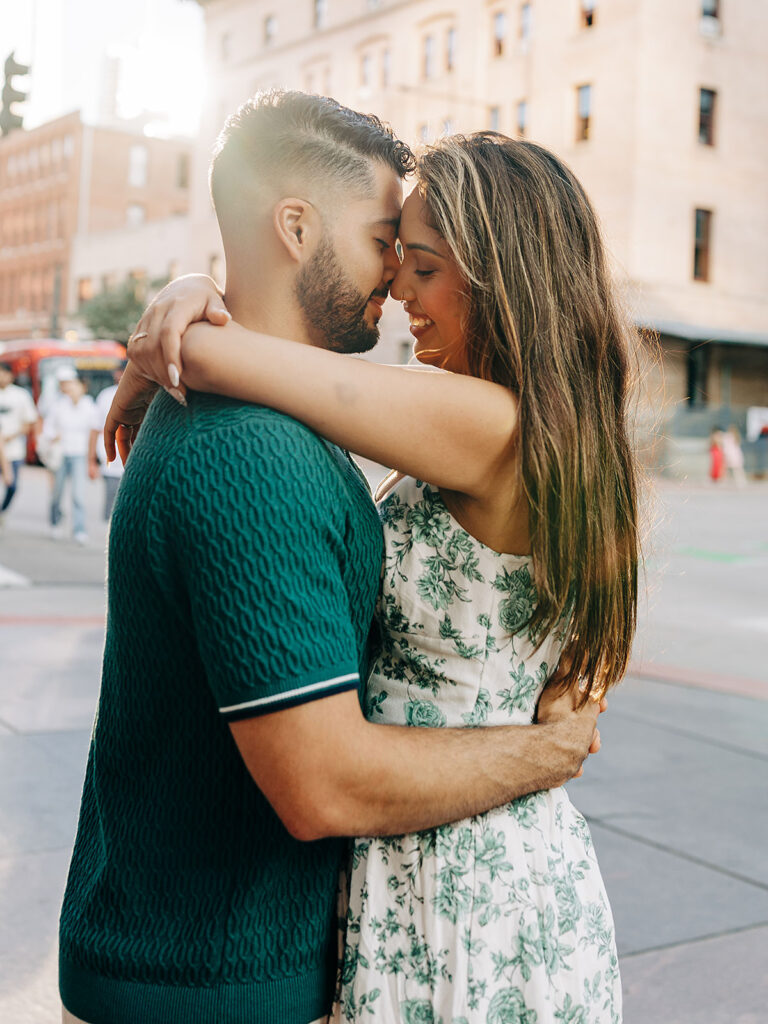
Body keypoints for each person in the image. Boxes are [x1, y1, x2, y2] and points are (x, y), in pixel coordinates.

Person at [60, 93, 602, 1024]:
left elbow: (282, 372)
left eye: (420, 262)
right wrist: (187, 315)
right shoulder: (274, 449)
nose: (394, 285)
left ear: (498, 278)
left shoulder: (494, 423)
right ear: (299, 225)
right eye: (390, 248)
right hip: (314, 920)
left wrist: (180, 331)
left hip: (463, 886)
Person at [41, 370, 95, 544]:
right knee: (57, 492)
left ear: (82, 387)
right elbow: (48, 427)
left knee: (78, 494)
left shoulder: (89, 406)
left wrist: (93, 459)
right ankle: (55, 523)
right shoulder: (59, 405)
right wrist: (53, 436)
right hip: (61, 452)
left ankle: (79, 529)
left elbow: (94, 431)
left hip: (79, 453)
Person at [0, 361, 38, 524]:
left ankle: (2, 511)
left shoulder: (20, 395)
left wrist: (11, 435)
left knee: (12, 485)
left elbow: (29, 422)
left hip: (13, 449)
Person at [88, 368, 126, 519]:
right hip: (110, 460)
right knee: (112, 505)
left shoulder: (145, 394)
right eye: (120, 372)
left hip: (134, 460)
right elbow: (95, 428)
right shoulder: (106, 396)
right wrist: (91, 461)